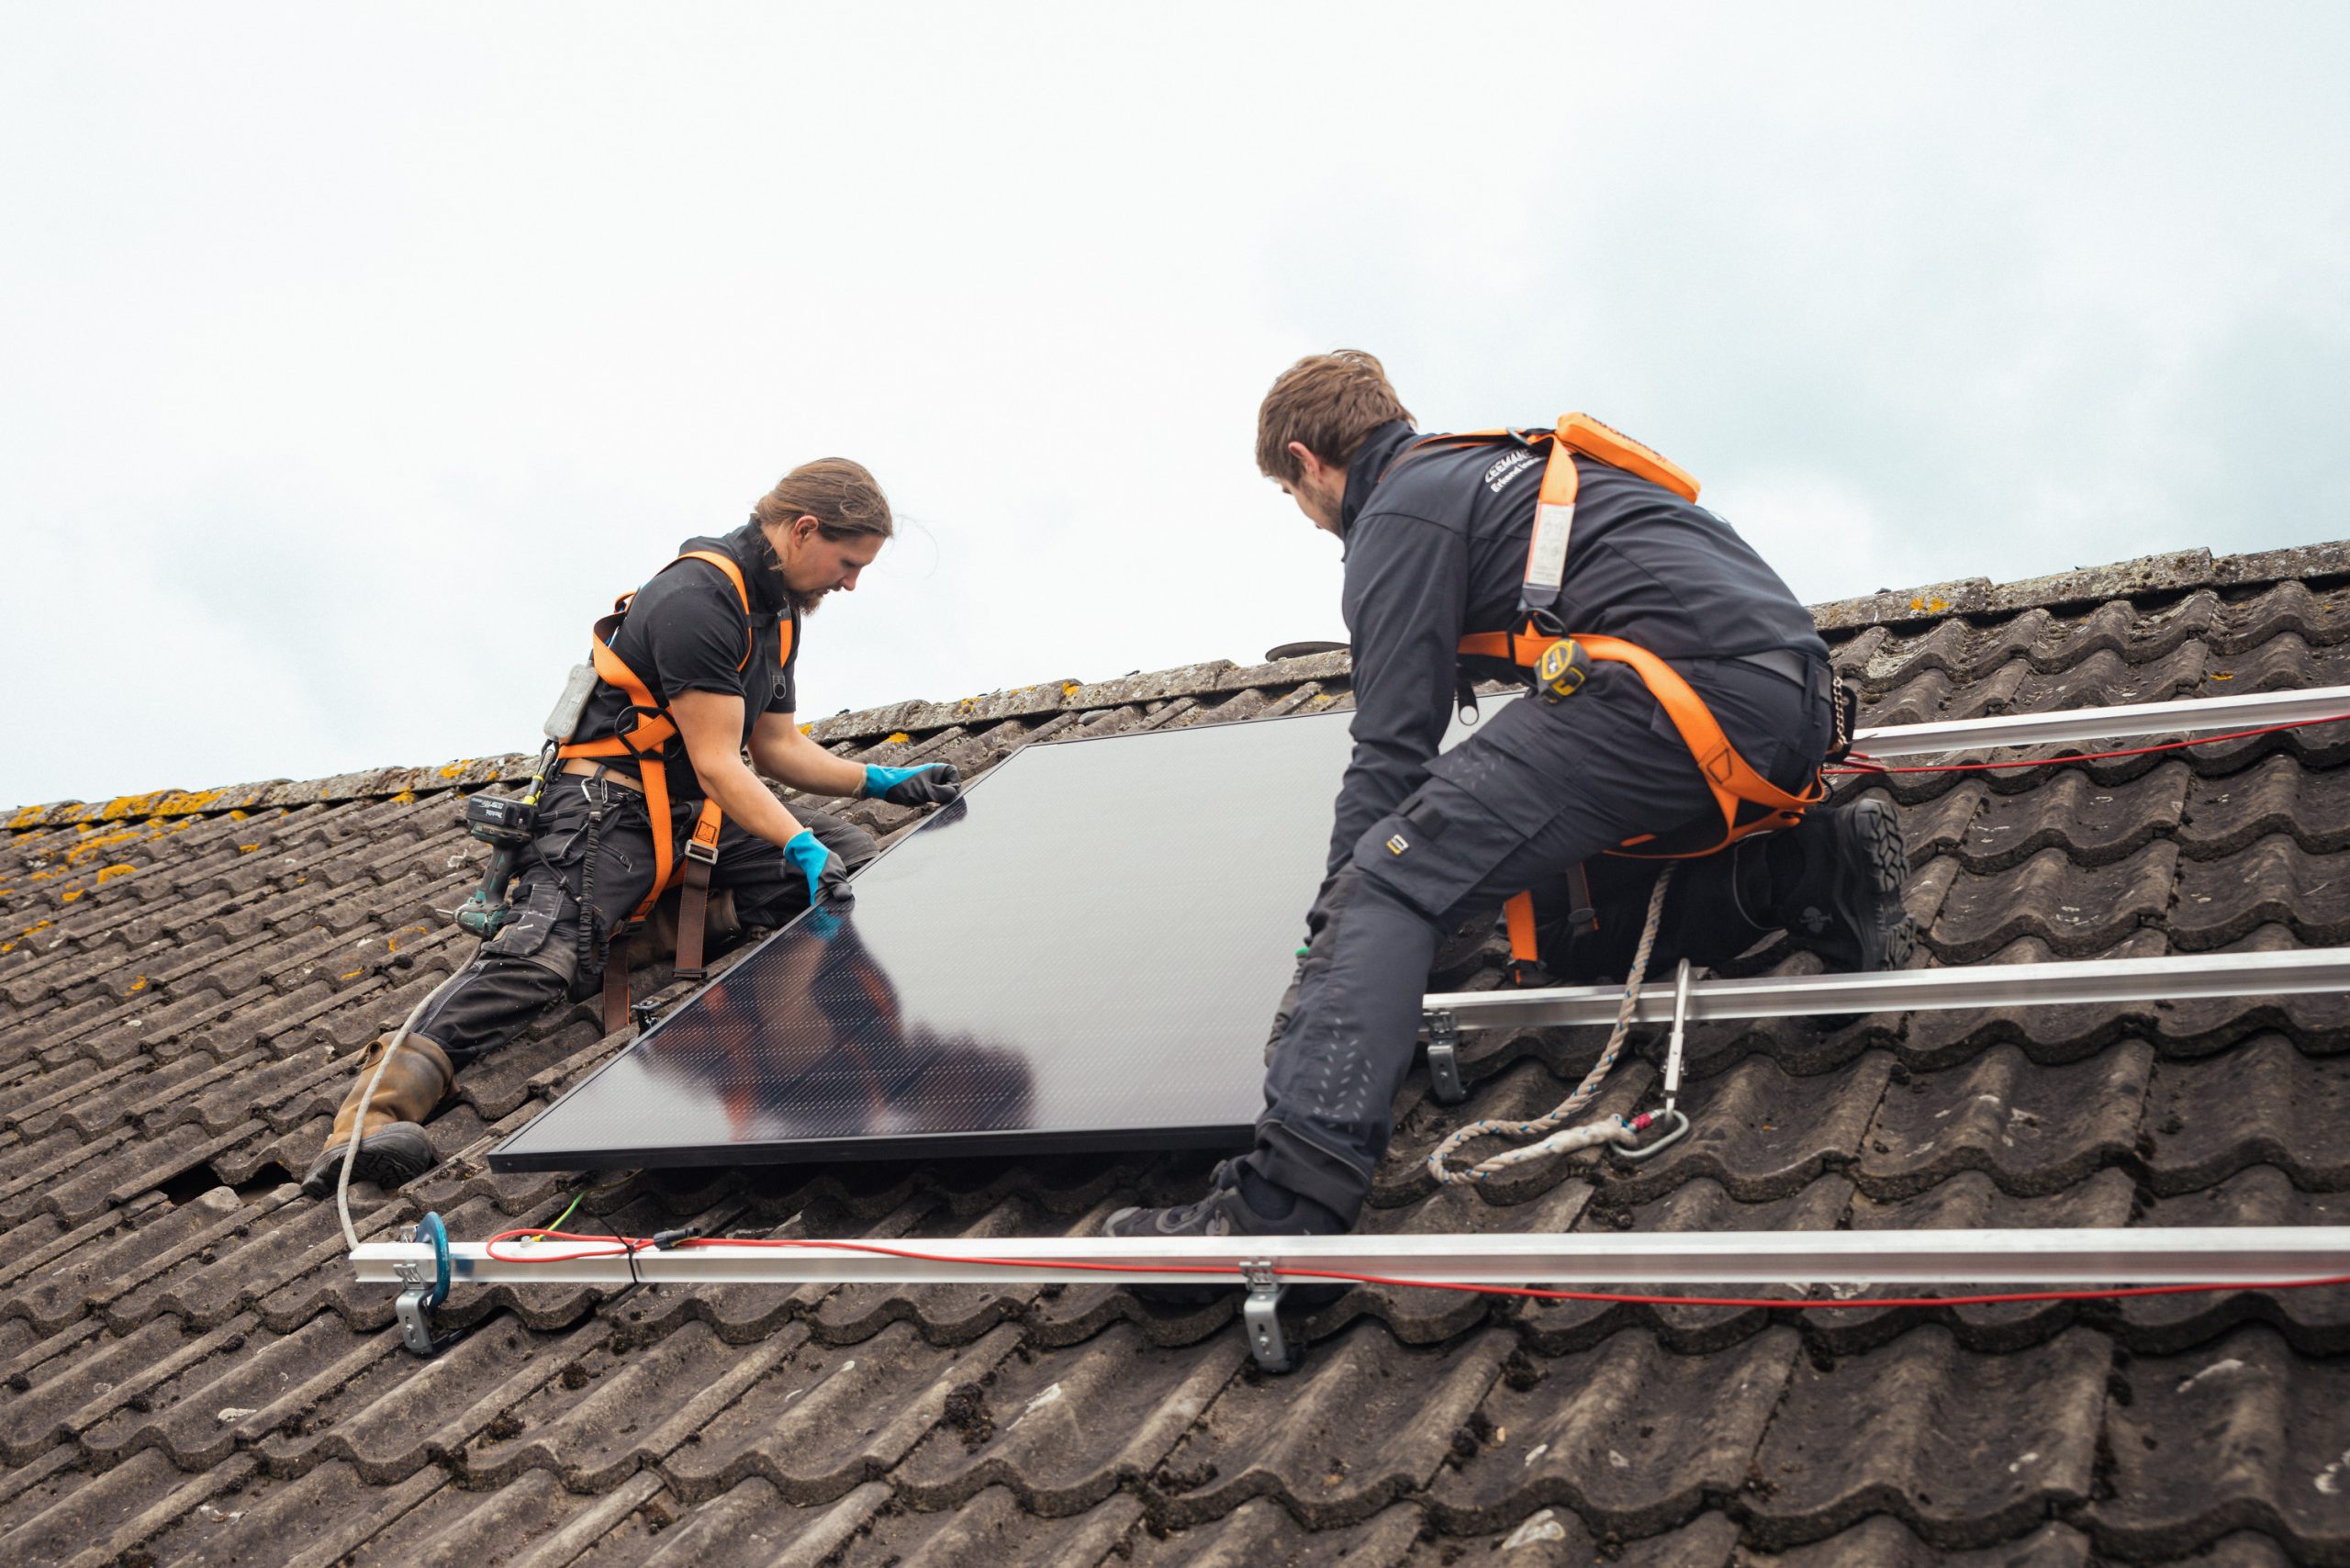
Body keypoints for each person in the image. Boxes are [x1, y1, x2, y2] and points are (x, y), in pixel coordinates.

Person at [1106, 352, 1909, 1240]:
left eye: (1290, 495)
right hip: (1788, 703)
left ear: (1306, 459)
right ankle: (1803, 871)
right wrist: (1396, 980)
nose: (1305, 519)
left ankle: (1279, 1202)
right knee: (1563, 924)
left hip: (1673, 697)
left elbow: (1390, 749)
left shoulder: (1402, 511)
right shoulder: (1502, 475)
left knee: (1384, 884)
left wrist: (1338, 934)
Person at [302, 458, 963, 1196]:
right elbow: (719, 763)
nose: (850, 584)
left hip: (680, 819)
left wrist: (882, 781)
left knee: (844, 857)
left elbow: (775, 748)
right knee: (538, 965)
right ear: (803, 530)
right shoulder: (698, 599)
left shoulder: (774, 617)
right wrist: (793, 841)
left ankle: (638, 927)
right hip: (600, 814)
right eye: (847, 563)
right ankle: (363, 1126)